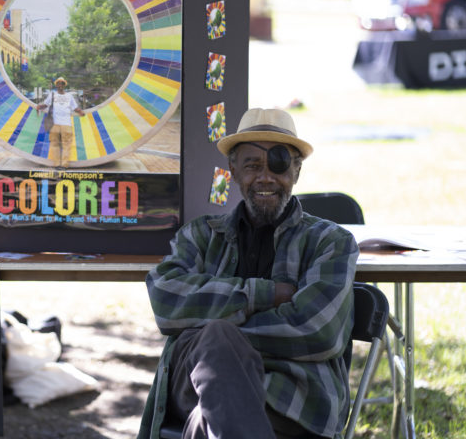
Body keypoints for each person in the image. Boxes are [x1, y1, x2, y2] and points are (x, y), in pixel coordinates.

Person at [139, 108, 359, 439]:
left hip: (288, 397)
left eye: (278, 165)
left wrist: (218, 331)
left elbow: (317, 329)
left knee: (205, 415)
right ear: (233, 171)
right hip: (194, 380)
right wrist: (264, 295)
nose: (265, 177)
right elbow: (166, 299)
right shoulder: (200, 235)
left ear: (296, 171)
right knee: (217, 340)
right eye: (252, 165)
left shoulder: (330, 242)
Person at [37, 77, 84, 168]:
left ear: (64, 85)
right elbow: (46, 104)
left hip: (67, 123)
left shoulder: (69, 96)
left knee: (67, 144)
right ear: (56, 85)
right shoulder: (52, 95)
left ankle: (64, 165)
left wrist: (80, 112)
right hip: (54, 123)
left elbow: (74, 107)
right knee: (55, 144)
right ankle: (57, 164)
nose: (60, 85)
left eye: (62, 83)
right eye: (58, 83)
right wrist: (39, 106)